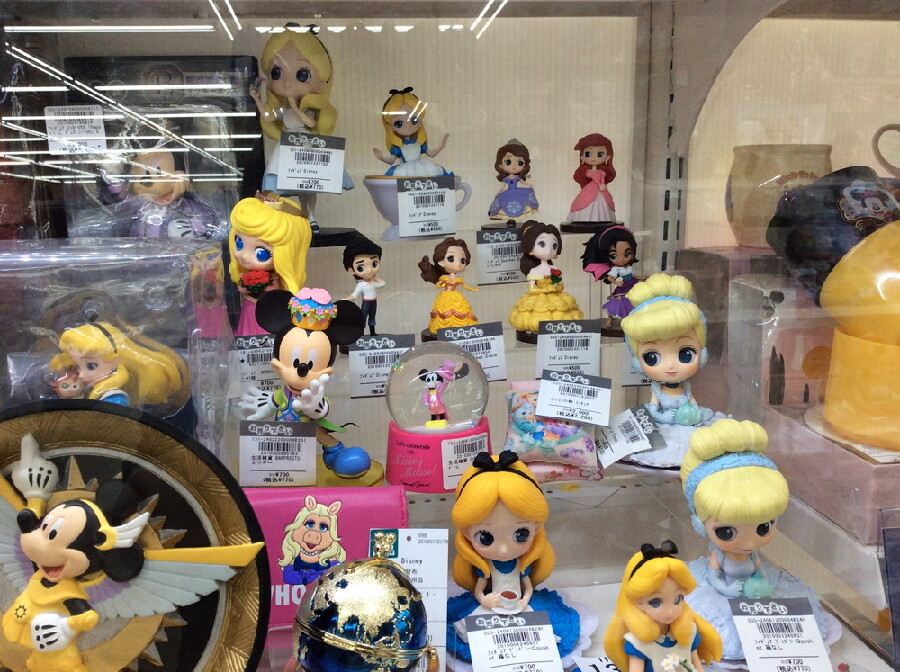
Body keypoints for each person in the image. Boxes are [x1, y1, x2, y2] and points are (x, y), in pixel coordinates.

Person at [680, 419, 840, 661]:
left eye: (763, 528)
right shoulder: (720, 555)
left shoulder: (752, 554)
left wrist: (762, 584)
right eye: (727, 532)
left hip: (755, 597)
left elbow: (759, 569)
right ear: (699, 524)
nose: (748, 544)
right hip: (725, 594)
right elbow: (714, 577)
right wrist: (727, 589)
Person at [447, 451, 587, 663]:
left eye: (521, 534)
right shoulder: (484, 568)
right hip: (490, 608)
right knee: (471, 632)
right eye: (485, 537)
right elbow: (479, 590)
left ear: (536, 527)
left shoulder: (522, 565)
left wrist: (523, 601)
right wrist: (485, 599)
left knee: (543, 631)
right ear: (466, 533)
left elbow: (527, 587)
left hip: (520, 606)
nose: (504, 550)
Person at [619, 274, 725, 468]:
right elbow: (654, 408)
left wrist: (693, 412)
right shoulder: (657, 389)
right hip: (664, 425)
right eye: (652, 357)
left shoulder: (685, 386)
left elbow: (691, 401)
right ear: (638, 362)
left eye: (685, 354)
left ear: (702, 353)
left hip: (687, 424)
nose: (670, 366)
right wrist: (664, 417)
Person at [251, 24, 350, 229]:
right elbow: (268, 116)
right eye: (276, 72)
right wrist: (257, 100)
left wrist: (296, 108)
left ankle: (311, 216)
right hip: (287, 147)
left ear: (321, 82)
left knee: (308, 185)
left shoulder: (307, 109)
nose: (287, 83)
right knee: (283, 182)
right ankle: (294, 216)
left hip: (307, 145)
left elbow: (310, 123)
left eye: (302, 74)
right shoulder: (283, 109)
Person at [603, 541, 722, 672]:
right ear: (638, 602)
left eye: (678, 599)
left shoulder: (688, 631)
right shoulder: (638, 643)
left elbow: (696, 664)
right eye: (655, 602)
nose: (670, 612)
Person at [50, 320, 189, 409]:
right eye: (78, 366)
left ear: (115, 361)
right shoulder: (91, 389)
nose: (81, 375)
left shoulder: (113, 398)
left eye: (91, 366)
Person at [228, 194, 312, 336]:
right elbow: (241, 288)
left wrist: (264, 285)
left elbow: (275, 291)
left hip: (269, 312)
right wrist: (249, 284)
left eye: (261, 253)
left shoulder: (274, 277)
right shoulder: (246, 275)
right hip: (250, 307)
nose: (244, 256)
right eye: (239, 243)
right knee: (247, 331)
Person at [508, 221, 583, 337]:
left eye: (554, 246)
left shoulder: (554, 269)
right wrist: (544, 289)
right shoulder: (534, 271)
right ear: (531, 249)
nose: (549, 250)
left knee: (562, 312)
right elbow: (532, 288)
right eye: (542, 244)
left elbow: (560, 285)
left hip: (555, 295)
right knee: (534, 315)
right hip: (539, 297)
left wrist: (555, 285)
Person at [372, 87, 450, 177]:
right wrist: (381, 158)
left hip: (422, 167)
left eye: (414, 120)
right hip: (405, 170)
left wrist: (441, 146)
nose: (408, 126)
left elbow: (431, 154)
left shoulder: (419, 143)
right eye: (399, 123)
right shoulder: (398, 147)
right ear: (391, 126)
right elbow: (391, 161)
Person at [581, 225, 642, 326]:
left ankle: (632, 319)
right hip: (623, 287)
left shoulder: (629, 268)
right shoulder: (615, 269)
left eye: (627, 254)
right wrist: (616, 282)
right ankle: (611, 319)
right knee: (619, 303)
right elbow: (609, 277)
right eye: (614, 256)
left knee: (633, 302)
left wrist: (641, 277)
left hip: (632, 285)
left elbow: (634, 275)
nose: (621, 259)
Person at [418, 237, 478, 335]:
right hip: (446, 296)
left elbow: (464, 286)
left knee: (461, 310)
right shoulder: (444, 278)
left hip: (457, 296)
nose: (459, 264)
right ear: (441, 261)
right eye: (451, 258)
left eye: (462, 260)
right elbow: (439, 285)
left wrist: (473, 289)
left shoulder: (458, 279)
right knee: (444, 310)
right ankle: (445, 329)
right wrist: (438, 283)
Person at [567, 133, 617, 223]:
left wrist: (603, 185)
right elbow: (588, 176)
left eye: (600, 154)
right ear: (582, 157)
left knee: (603, 202)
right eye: (588, 154)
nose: (594, 158)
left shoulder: (602, 172)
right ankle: (584, 218)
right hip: (590, 189)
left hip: (601, 189)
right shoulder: (588, 172)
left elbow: (602, 179)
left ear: (607, 157)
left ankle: (601, 218)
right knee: (585, 201)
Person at [342, 234, 384, 336]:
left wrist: (376, 278)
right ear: (351, 270)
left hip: (373, 302)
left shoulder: (373, 283)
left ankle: (372, 332)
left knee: (372, 317)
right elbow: (354, 295)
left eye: (374, 264)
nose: (369, 270)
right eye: (361, 267)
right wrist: (345, 299)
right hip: (366, 302)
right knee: (363, 317)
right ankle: (360, 333)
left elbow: (382, 284)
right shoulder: (361, 285)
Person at [488, 139, 539, 221]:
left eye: (520, 163)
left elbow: (523, 182)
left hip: (517, 192)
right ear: (500, 164)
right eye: (508, 161)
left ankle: (515, 218)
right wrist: (498, 192)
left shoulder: (517, 178)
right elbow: (502, 186)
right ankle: (510, 219)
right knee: (503, 201)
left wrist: (529, 185)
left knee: (525, 196)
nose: (514, 165)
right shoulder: (506, 179)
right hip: (508, 193)